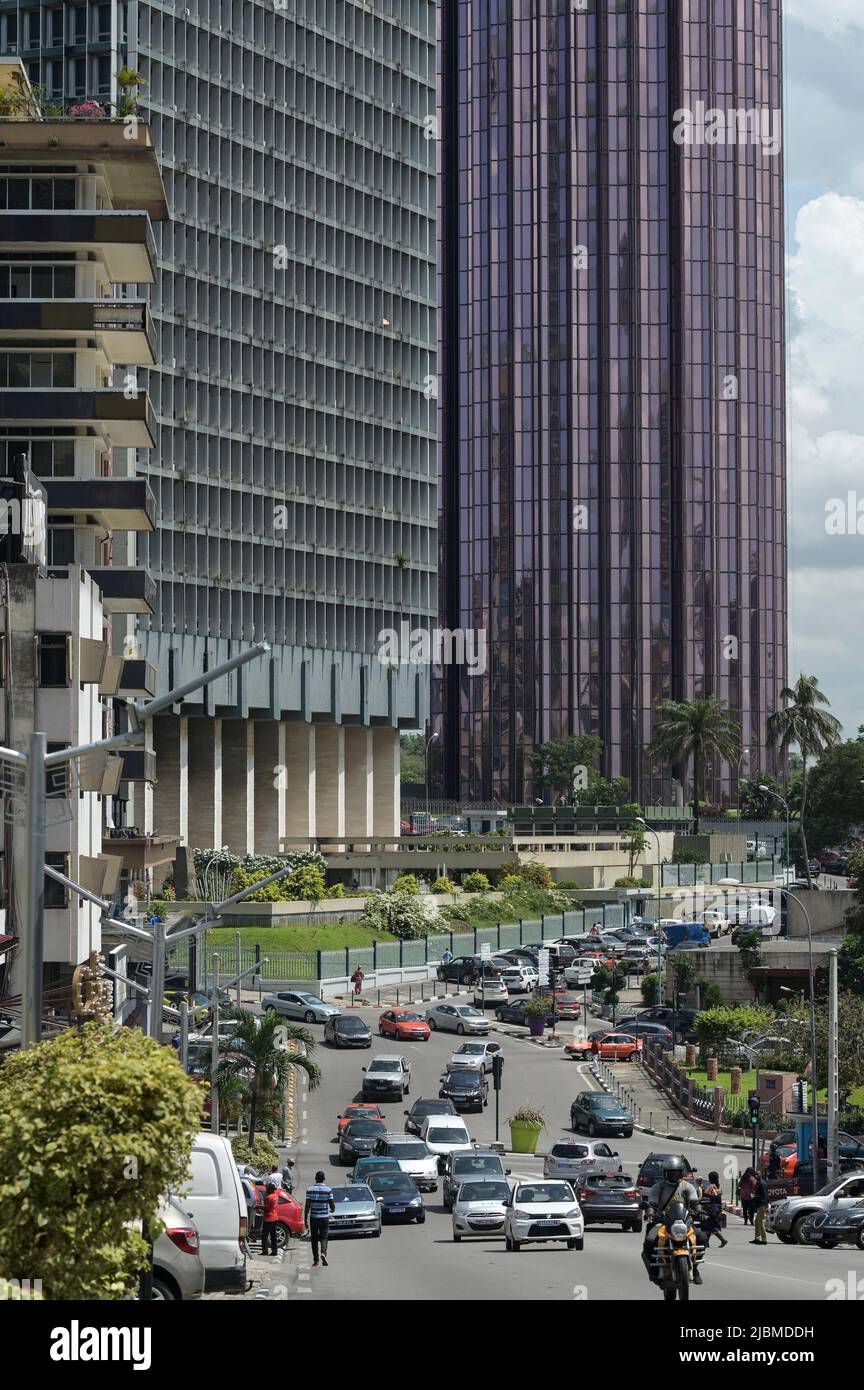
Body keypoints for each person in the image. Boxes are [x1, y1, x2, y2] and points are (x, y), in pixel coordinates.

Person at [642, 1165, 703, 1284]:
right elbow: (652, 1203)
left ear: (681, 1173)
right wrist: (650, 1213)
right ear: (665, 1174)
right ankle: (654, 1269)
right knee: (650, 1240)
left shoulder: (687, 1186)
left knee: (702, 1238)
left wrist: (699, 1210)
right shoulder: (658, 1187)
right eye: (670, 1173)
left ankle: (695, 1269)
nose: (673, 1176)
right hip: (663, 1221)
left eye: (676, 1173)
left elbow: (694, 1201)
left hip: (684, 1220)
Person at [305, 1170, 336, 1268]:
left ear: (315, 1178)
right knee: (324, 1237)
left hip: (313, 1218)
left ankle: (316, 1260)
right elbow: (331, 1203)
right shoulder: (328, 1190)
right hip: (324, 1218)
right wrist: (332, 1209)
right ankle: (323, 1252)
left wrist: (305, 1219)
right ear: (324, 1179)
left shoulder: (310, 1189)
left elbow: (307, 1205)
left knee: (314, 1239)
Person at [700, 1171, 728, 1249]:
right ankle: (706, 1243)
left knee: (712, 1226)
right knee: (708, 1225)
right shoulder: (718, 1186)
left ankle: (723, 1240)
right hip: (717, 1209)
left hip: (712, 1209)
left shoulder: (711, 1187)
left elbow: (711, 1197)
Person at [261, 1182, 280, 1256]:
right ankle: (274, 1251)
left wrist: (259, 1207)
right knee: (273, 1235)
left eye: (267, 1188)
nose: (266, 1190)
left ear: (269, 1189)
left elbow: (266, 1208)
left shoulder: (269, 1197)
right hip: (275, 1217)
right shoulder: (276, 1196)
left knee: (265, 1235)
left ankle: (265, 1251)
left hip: (268, 1218)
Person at [751, 1172, 769, 1245]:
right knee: (757, 1221)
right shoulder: (759, 1183)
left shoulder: (761, 1184)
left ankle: (764, 1240)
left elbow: (764, 1196)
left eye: (757, 1175)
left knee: (760, 1221)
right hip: (761, 1205)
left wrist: (755, 1196)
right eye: (755, 1175)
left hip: (762, 1205)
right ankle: (757, 1238)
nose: (755, 1176)